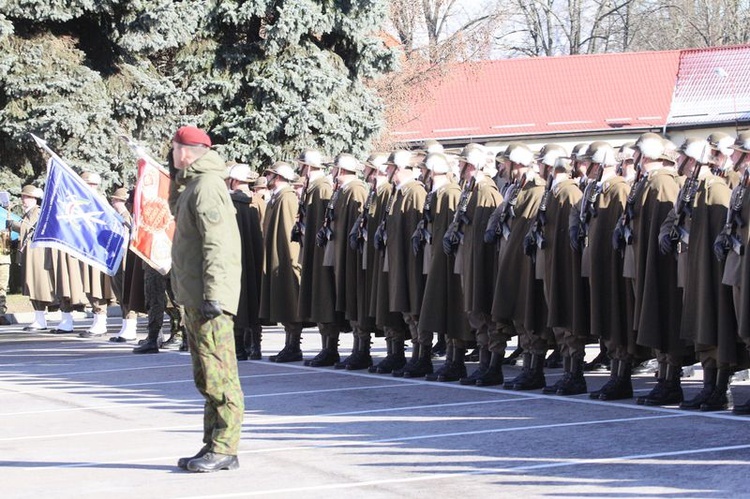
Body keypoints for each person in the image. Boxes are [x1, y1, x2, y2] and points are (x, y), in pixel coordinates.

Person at [169, 125, 243, 473]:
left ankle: (225, 446)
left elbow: (219, 242)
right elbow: (176, 214)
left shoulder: (208, 185)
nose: (171, 154)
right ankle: (213, 443)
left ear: (186, 151)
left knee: (220, 374)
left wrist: (215, 292)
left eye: (173, 149)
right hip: (195, 296)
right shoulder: (193, 185)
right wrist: (172, 177)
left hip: (208, 297)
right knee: (205, 376)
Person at [260, 161, 305, 362]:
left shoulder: (286, 198)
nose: (267, 178)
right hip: (277, 257)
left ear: (277, 177)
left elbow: (289, 235)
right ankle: (289, 344)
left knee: (289, 302)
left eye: (270, 175)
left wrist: (290, 262)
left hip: (285, 260)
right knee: (284, 303)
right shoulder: (276, 198)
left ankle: (293, 345)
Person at [227, 163, 264, 360]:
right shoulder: (258, 201)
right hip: (257, 257)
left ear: (233, 180)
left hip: (234, 259)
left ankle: (239, 347)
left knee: (238, 302)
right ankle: (256, 345)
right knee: (254, 298)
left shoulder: (228, 201)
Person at [9, 185, 55, 331]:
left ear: (34, 199)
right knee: (31, 285)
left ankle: (41, 319)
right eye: (23, 197)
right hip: (30, 255)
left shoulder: (36, 212)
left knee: (37, 286)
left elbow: (31, 229)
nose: (23, 200)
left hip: (36, 255)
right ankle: (39, 318)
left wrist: (14, 226)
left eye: (27, 197)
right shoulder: (29, 213)